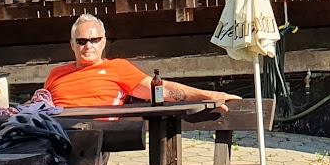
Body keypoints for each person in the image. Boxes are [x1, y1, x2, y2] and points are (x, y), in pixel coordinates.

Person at [42, 14, 239, 110]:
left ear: (103, 42)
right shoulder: (56, 74)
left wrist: (209, 95)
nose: (88, 46)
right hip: (52, 133)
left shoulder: (117, 68)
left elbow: (163, 90)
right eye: (81, 41)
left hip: (95, 136)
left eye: (94, 40)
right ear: (72, 45)